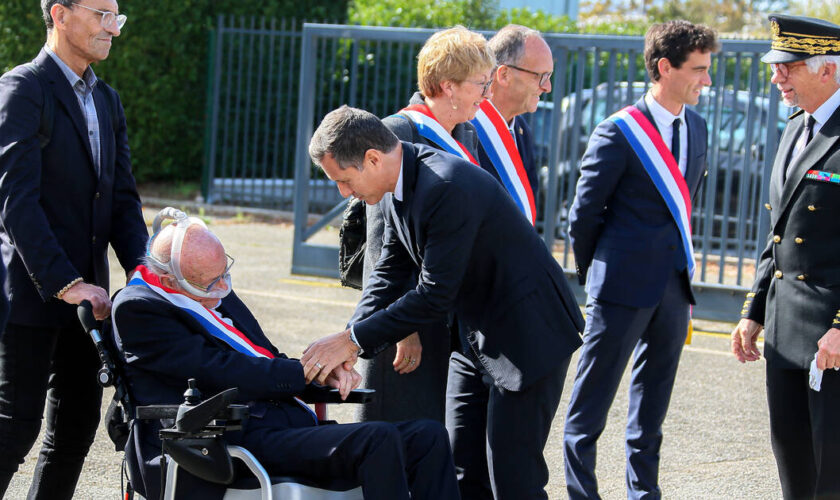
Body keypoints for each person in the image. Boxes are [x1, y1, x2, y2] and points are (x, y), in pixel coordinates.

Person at [302, 105, 584, 500]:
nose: (343, 193)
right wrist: (351, 340)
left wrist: (350, 342)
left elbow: (434, 296)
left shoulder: (445, 186)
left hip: (528, 336)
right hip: (476, 336)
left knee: (513, 475)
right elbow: (389, 272)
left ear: (372, 158)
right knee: (461, 467)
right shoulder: (391, 184)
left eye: (344, 180)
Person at [111, 208, 460, 500]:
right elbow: (221, 370)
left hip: (278, 424)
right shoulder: (138, 309)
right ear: (173, 282)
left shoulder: (208, 285)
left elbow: (266, 355)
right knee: (376, 439)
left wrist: (324, 371)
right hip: (223, 437)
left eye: (224, 274)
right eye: (211, 282)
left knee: (428, 436)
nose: (223, 288)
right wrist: (304, 373)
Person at [563, 20, 718, 499]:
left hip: (672, 288)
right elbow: (583, 217)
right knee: (590, 409)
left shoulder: (697, 126)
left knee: (651, 411)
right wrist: (599, 276)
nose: (706, 81)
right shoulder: (618, 131)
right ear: (664, 67)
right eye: (698, 70)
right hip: (620, 288)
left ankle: (643, 494)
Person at [0, 1, 148, 498]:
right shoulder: (23, 88)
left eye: (117, 17)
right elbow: (16, 202)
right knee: (13, 429)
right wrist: (65, 283)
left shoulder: (108, 100)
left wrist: (150, 277)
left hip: (90, 302)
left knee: (75, 431)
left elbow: (123, 202)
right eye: (102, 14)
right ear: (60, 15)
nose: (114, 28)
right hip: (30, 294)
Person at [358, 25, 494, 424]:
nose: (486, 95)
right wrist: (401, 329)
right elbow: (380, 243)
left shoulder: (464, 132)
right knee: (398, 433)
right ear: (448, 86)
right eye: (479, 84)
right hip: (408, 319)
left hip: (448, 313)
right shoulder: (397, 132)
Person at [731, 14, 840, 499]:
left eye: (787, 67)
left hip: (830, 336)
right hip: (784, 329)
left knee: (832, 470)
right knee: (793, 464)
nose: (777, 77)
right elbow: (779, 229)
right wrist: (754, 310)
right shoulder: (797, 125)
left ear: (827, 70)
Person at [471, 24, 550, 227]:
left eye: (549, 76)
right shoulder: (463, 126)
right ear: (504, 74)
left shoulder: (521, 130)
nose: (547, 87)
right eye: (540, 76)